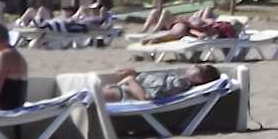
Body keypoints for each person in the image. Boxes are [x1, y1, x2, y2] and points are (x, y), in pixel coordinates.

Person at [86, 63, 222, 102]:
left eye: (197, 67)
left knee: (90, 96)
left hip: (130, 95)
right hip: (127, 90)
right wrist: (136, 75)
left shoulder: (180, 83)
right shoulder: (178, 80)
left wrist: (132, 80)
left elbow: (148, 97)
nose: (193, 65)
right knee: (89, 94)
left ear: (199, 79)